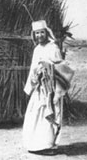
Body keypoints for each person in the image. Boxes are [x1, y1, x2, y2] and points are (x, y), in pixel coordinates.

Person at [22, 20, 74, 155]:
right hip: (40, 88)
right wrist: (35, 77)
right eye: (37, 33)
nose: (39, 35)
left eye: (41, 32)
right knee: (35, 114)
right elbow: (33, 69)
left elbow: (62, 66)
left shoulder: (53, 47)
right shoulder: (37, 49)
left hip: (52, 89)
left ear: (46, 33)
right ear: (34, 35)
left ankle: (49, 145)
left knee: (50, 115)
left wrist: (48, 66)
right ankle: (36, 145)